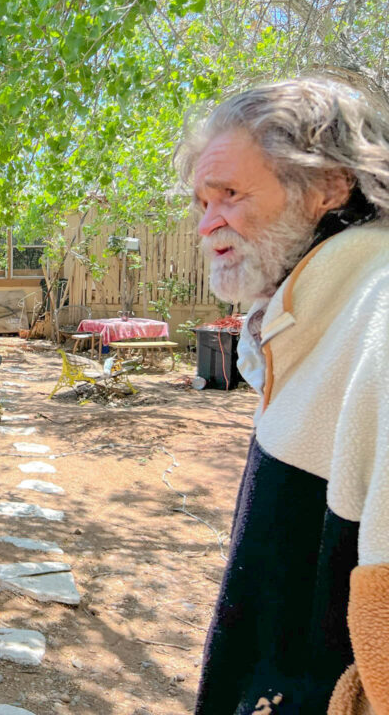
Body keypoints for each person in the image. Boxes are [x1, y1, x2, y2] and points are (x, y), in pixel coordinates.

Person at [175, 78, 389, 715]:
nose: (207, 222)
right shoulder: (302, 322)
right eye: (200, 202)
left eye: (231, 194)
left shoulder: (376, 324)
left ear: (328, 185)